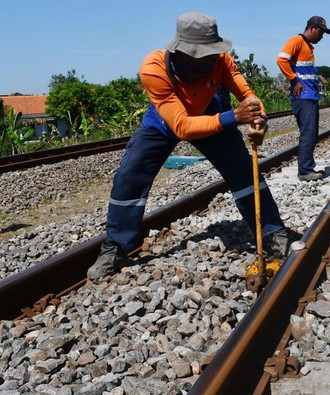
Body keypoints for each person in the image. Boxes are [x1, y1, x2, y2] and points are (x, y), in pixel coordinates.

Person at [87, 12, 298, 281]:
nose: (209, 62)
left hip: (210, 115)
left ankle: (272, 232)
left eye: (212, 55)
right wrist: (234, 117)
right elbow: (182, 127)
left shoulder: (220, 61)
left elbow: (247, 95)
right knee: (130, 177)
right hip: (165, 123)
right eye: (202, 58)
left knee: (244, 172)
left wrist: (260, 119)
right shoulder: (153, 69)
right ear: (180, 53)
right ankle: (116, 247)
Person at [277, 16, 330, 181]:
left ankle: (307, 167)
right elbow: (281, 59)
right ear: (312, 28)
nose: (321, 37)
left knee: (310, 133)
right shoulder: (296, 41)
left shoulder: (307, 46)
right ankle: (305, 170)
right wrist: (294, 80)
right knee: (308, 133)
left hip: (310, 97)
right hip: (303, 97)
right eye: (321, 32)